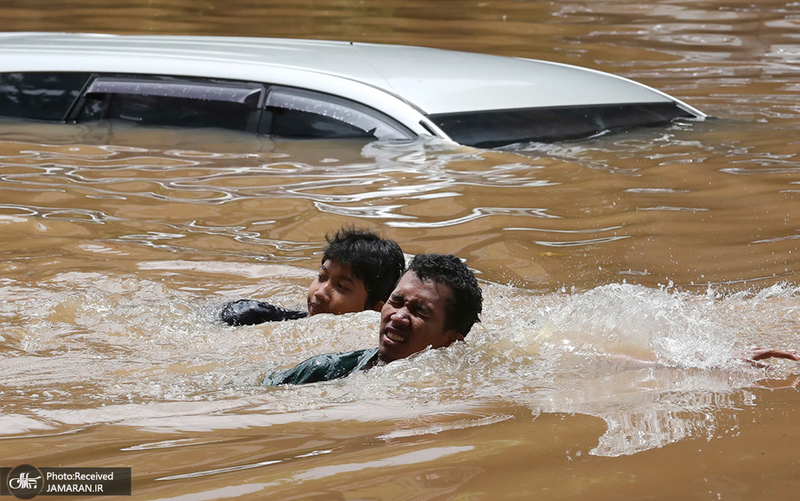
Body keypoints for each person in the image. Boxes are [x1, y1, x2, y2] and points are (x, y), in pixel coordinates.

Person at [264, 253, 483, 385]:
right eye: (396, 301)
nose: (398, 317)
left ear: (452, 341)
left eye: (420, 311)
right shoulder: (324, 370)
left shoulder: (455, 393)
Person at [220, 227, 405, 326]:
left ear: (375, 310)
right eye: (321, 277)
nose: (320, 293)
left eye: (341, 287)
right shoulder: (261, 317)